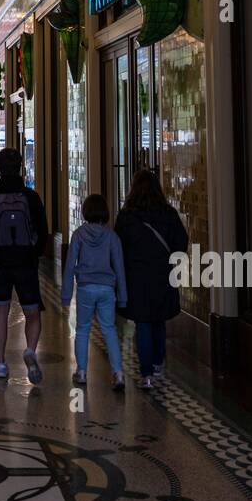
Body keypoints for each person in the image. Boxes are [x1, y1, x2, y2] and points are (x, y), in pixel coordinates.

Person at [0, 147, 49, 383]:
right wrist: (34, 253)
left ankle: (0, 363)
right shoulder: (30, 196)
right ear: (20, 167)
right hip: (25, 261)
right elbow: (43, 230)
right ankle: (30, 350)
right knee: (32, 312)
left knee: (0, 311)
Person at [114, 167, 189, 389]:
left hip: (136, 277)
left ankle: (146, 373)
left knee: (143, 322)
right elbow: (181, 243)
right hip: (162, 274)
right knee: (159, 320)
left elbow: (119, 248)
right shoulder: (168, 214)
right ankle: (157, 363)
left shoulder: (127, 216)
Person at [63, 193, 127, 391]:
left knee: (82, 329)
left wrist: (66, 294)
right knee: (109, 329)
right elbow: (119, 267)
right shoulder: (112, 237)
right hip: (107, 289)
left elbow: (69, 266)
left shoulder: (78, 235)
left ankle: (81, 372)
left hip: (85, 288)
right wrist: (123, 296)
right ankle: (118, 373)